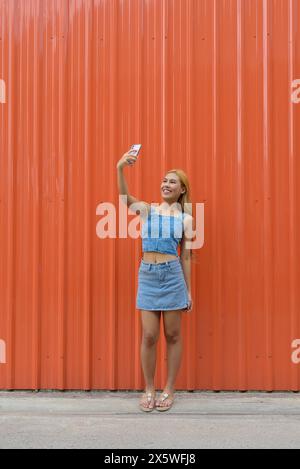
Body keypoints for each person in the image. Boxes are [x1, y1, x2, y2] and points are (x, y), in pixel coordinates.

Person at [116, 151, 194, 412]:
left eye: (172, 182)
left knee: (172, 335)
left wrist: (188, 291)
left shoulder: (186, 219)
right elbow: (126, 200)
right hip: (148, 275)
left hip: (172, 277)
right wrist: (120, 168)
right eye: (164, 180)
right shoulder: (148, 210)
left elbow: (186, 256)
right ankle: (149, 387)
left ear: (182, 189)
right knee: (149, 336)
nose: (166, 184)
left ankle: (169, 389)